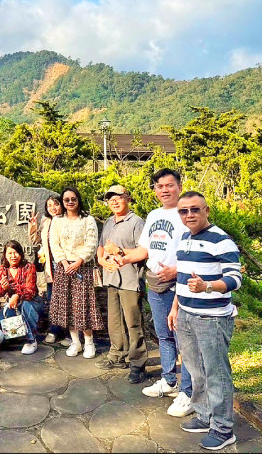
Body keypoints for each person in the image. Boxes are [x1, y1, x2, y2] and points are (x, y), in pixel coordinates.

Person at [168, 192, 242, 451]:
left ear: (206, 210)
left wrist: (207, 287)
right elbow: (182, 279)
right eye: (184, 211)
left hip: (212, 319)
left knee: (216, 373)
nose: (189, 215)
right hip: (187, 316)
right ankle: (204, 415)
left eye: (195, 210)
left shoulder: (221, 241)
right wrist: (176, 307)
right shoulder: (184, 238)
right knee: (195, 368)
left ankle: (223, 430)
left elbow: (235, 279)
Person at [118, 168, 193, 417]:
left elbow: (197, 252)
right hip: (155, 284)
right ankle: (170, 380)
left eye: (169, 185)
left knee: (184, 340)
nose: (164, 189)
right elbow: (144, 250)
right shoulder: (153, 215)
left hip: (179, 285)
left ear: (179, 186)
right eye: (159, 186)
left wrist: (176, 270)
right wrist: (122, 258)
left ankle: (189, 392)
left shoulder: (187, 214)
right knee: (164, 335)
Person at [95, 185, 148, 384]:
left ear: (128, 198)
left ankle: (137, 364)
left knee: (133, 323)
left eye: (118, 197)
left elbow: (143, 251)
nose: (114, 201)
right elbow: (101, 247)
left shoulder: (137, 222)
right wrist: (101, 260)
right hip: (111, 279)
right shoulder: (108, 222)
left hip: (130, 280)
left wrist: (119, 251)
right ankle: (117, 355)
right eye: (110, 199)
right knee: (114, 321)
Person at [49, 186, 105, 358]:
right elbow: (54, 243)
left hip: (83, 266)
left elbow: (91, 243)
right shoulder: (57, 221)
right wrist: (65, 263)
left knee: (84, 305)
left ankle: (89, 343)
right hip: (63, 267)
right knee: (68, 306)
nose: (70, 202)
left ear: (78, 200)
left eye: (73, 199)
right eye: (66, 200)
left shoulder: (87, 220)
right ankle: (76, 342)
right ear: (63, 202)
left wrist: (79, 261)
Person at [0, 240, 42, 354]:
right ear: (5, 255)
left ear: (21, 253)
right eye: (10, 253)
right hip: (14, 304)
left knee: (25, 305)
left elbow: (30, 291)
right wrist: (3, 288)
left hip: (32, 303)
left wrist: (16, 295)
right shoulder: (2, 269)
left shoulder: (29, 267)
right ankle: (12, 338)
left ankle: (31, 340)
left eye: (16, 252)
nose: (13, 256)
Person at [28, 195, 66, 345]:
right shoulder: (46, 221)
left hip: (66, 266)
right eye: (49, 205)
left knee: (68, 299)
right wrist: (33, 225)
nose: (53, 208)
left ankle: (70, 333)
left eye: (55, 204)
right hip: (51, 268)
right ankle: (55, 330)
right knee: (52, 299)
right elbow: (35, 240)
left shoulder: (67, 220)